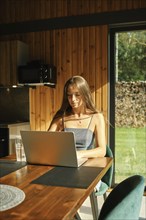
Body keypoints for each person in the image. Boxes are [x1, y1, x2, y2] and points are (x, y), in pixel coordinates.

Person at [48, 75, 106, 159]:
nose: (73, 99)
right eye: (69, 95)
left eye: (77, 94)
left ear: (85, 94)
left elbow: (102, 150)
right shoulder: (61, 117)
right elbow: (46, 143)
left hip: (86, 164)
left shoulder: (96, 117)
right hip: (64, 161)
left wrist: (80, 154)